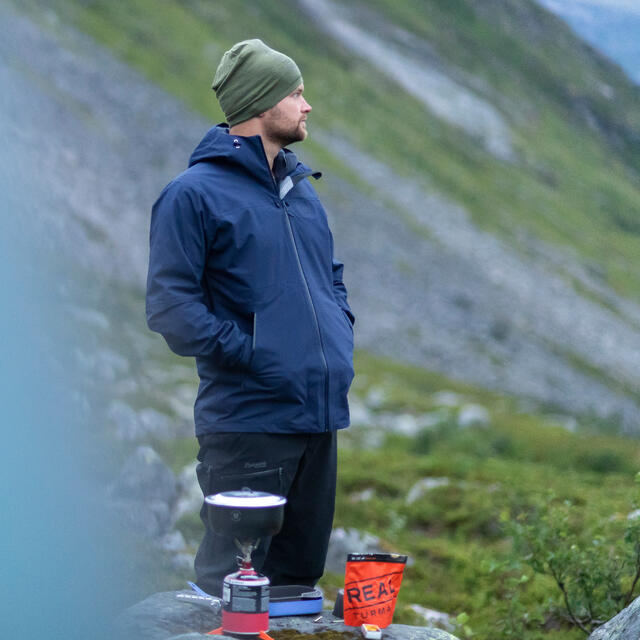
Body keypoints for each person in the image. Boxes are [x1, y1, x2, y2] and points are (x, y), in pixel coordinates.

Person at [145, 39, 354, 596]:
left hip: (317, 420)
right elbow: (170, 306)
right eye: (296, 93)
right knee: (229, 588)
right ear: (262, 104)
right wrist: (255, 354)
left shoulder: (302, 191)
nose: (307, 106)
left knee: (297, 587)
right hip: (248, 423)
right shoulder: (193, 195)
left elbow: (330, 277)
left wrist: (340, 330)